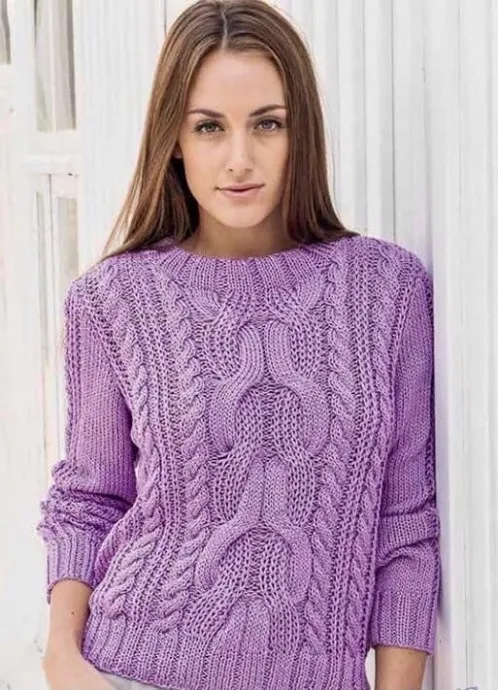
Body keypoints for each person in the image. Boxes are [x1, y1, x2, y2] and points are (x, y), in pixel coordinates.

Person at [36, 1, 441, 689]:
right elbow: (88, 498)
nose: (239, 159)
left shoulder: (387, 290)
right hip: (131, 668)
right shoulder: (112, 299)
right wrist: (62, 661)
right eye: (209, 127)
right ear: (174, 139)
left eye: (267, 124)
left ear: (300, 131)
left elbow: (404, 524)